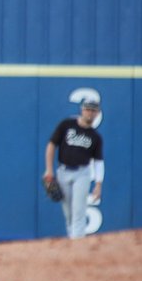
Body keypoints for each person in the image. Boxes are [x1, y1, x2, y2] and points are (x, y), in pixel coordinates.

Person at [43, 99, 104, 239]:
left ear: (98, 113)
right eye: (88, 109)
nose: (90, 113)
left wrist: (98, 184)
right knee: (69, 214)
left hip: (82, 173)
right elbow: (51, 145)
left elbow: (99, 162)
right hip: (63, 172)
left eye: (93, 110)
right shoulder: (67, 125)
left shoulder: (96, 137)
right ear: (82, 110)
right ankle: (74, 246)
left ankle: (78, 247)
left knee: (79, 213)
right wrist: (49, 170)